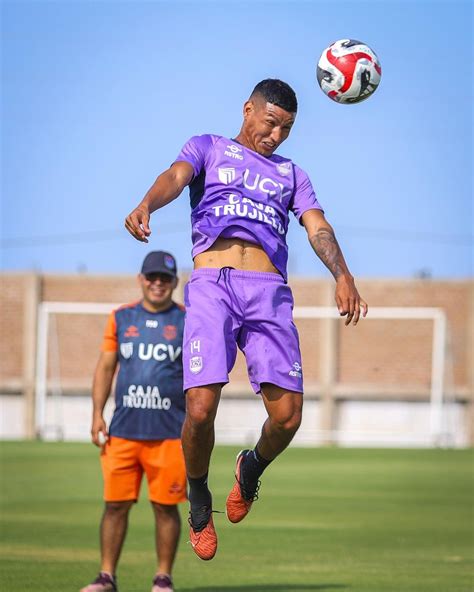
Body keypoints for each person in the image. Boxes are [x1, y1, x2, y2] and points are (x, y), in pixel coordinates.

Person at [125, 79, 368, 562]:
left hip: (268, 292)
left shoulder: (292, 174)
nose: (276, 135)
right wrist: (147, 204)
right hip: (213, 286)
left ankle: (250, 469)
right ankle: (199, 499)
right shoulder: (209, 148)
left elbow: (317, 225)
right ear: (249, 110)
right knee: (198, 408)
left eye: (287, 129)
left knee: (288, 417)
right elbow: (175, 176)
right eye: (271, 122)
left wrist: (342, 273)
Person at [81, 251, 186, 592]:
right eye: (152, 277)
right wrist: (97, 412)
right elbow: (106, 367)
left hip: (170, 433)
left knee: (166, 508)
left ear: (174, 283)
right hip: (123, 429)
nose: (158, 284)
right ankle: (106, 576)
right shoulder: (121, 317)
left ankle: (163, 578)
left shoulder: (189, 320)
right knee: (114, 506)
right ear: (141, 279)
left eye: (165, 279)